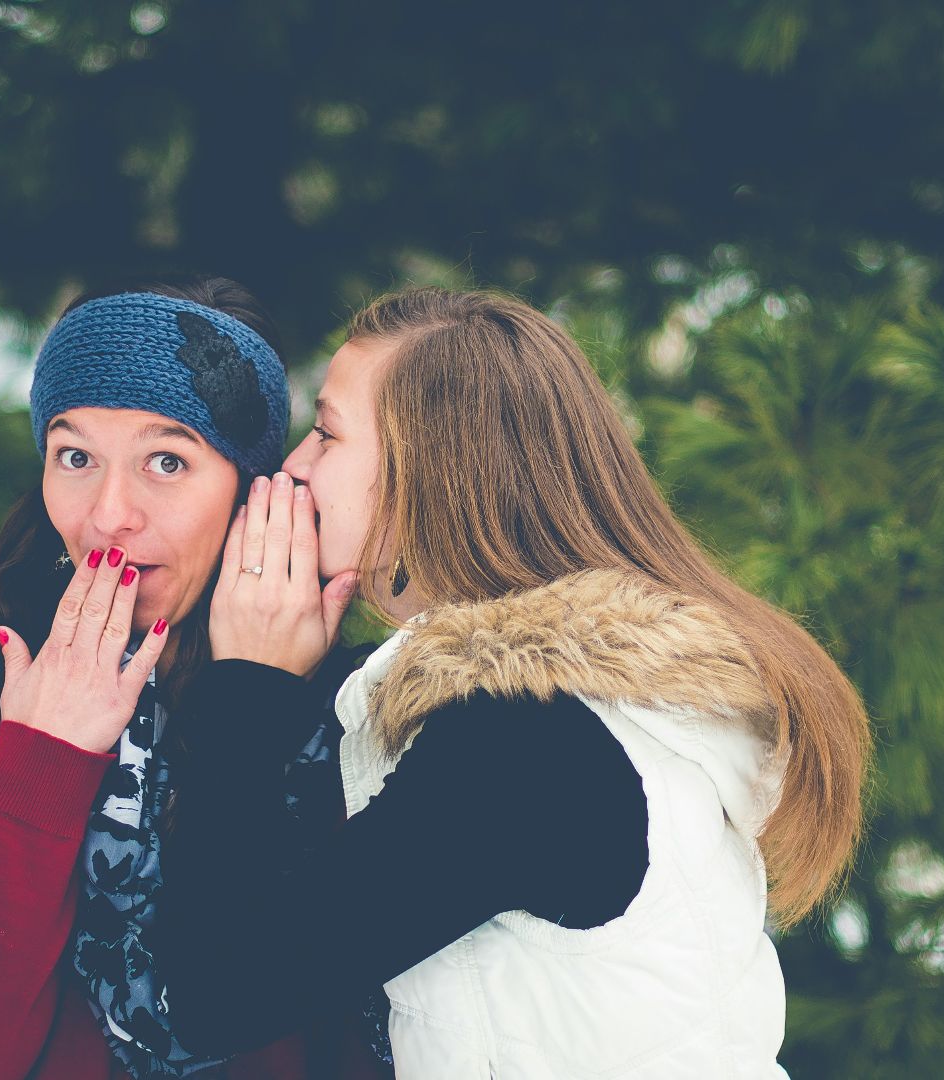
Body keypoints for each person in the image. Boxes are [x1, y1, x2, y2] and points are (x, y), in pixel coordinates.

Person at [148, 286, 874, 1078]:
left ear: (428, 470)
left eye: (326, 433)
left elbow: (221, 992)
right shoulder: (588, 710)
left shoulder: (526, 744)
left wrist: (247, 693)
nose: (294, 467)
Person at [0, 276, 390, 1079]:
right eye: (74, 456)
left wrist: (254, 699)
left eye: (166, 461)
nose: (110, 513)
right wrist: (43, 758)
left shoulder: (355, 708)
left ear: (253, 495)